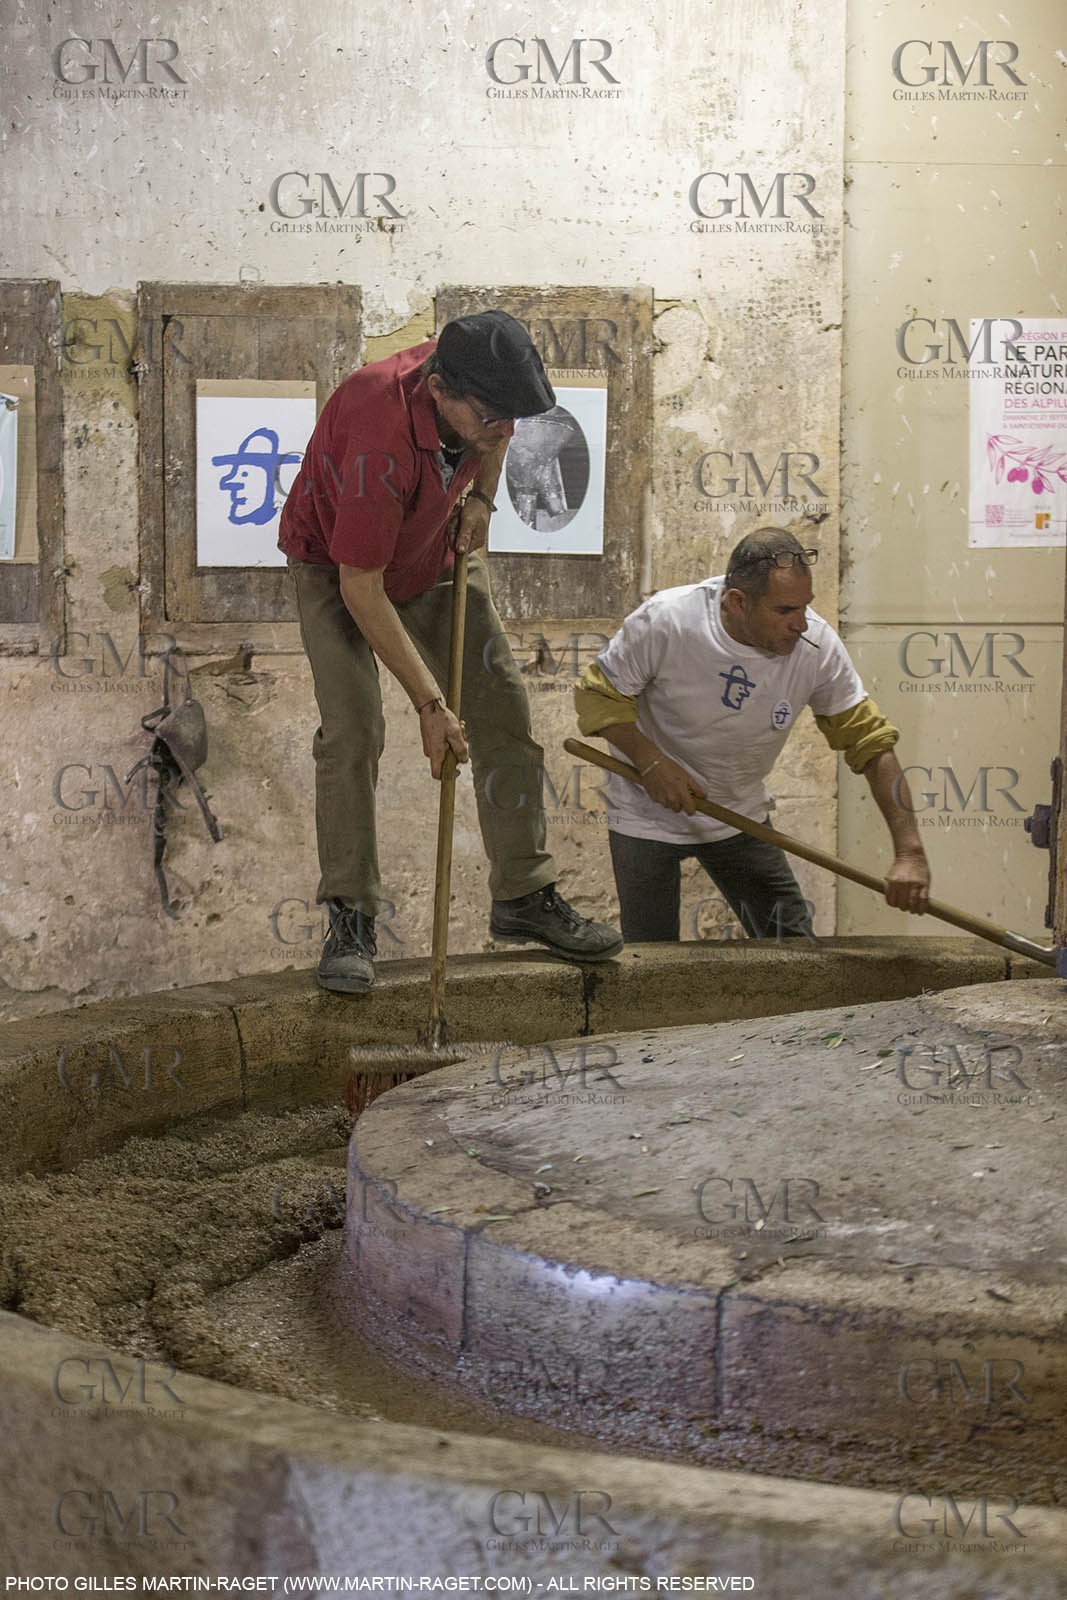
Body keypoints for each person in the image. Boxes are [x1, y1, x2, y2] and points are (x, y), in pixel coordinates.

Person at [278, 310, 622, 992]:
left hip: (431, 550)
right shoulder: (378, 429)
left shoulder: (480, 377)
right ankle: (351, 915)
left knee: (504, 714)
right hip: (339, 567)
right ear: (438, 390)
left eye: (512, 417)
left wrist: (483, 501)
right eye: (491, 418)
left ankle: (523, 895)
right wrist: (431, 705)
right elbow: (362, 587)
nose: (505, 431)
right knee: (353, 730)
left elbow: (495, 431)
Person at [574, 527, 931, 942]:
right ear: (737, 602)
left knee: (793, 947)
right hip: (645, 815)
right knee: (648, 958)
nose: (801, 624)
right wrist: (650, 761)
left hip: (739, 815)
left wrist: (910, 852)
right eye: (784, 610)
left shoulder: (816, 646)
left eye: (805, 606)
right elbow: (597, 695)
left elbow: (871, 743)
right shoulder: (667, 620)